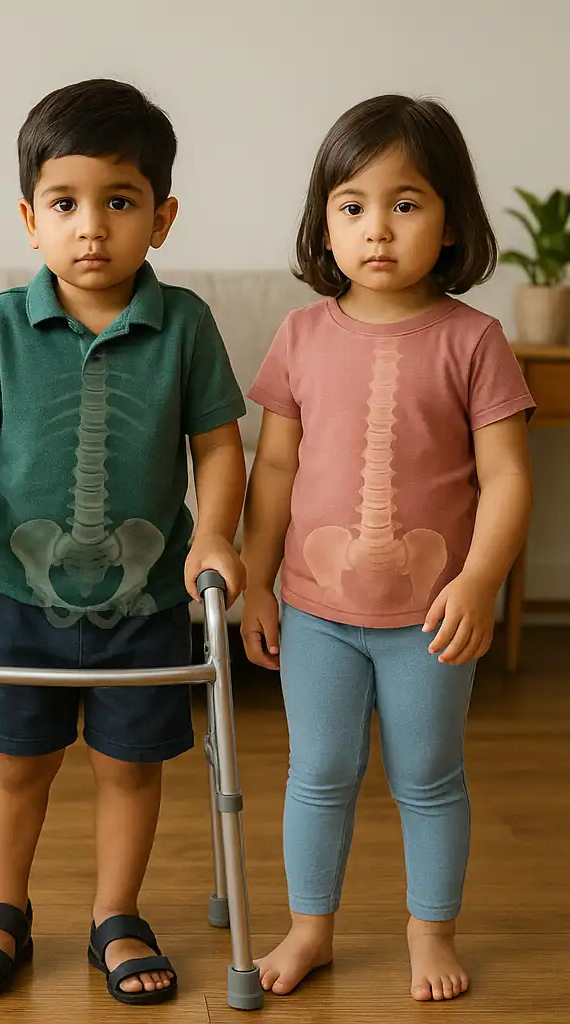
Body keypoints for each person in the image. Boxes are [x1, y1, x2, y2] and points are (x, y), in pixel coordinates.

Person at [0, 78, 248, 1005]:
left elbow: (220, 445)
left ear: (162, 217)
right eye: (65, 204)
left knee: (129, 771)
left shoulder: (185, 324)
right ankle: (1, 906)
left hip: (149, 601)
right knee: (15, 764)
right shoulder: (0, 324)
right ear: (31, 220)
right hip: (23, 600)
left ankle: (116, 914)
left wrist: (215, 535)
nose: (91, 227)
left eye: (120, 202)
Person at [241, 94, 534, 1002]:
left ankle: (429, 930)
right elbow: (275, 466)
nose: (377, 228)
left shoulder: (475, 340)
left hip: (432, 616)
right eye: (353, 205)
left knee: (430, 777)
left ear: (451, 221)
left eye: (406, 204)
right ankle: (310, 927)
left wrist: (480, 581)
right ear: (324, 222)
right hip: (316, 611)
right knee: (318, 775)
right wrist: (256, 581)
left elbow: (508, 477)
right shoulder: (300, 334)